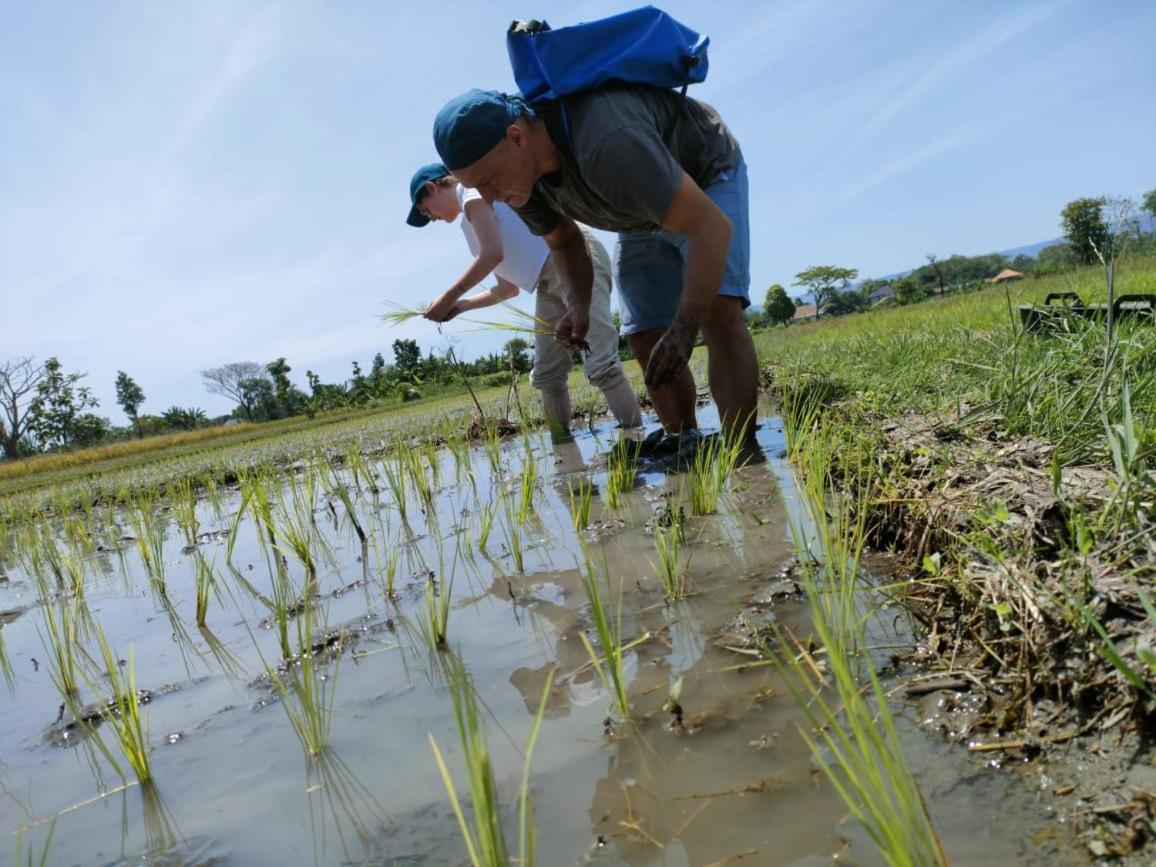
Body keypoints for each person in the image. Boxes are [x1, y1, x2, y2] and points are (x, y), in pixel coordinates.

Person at [430, 84, 758, 445]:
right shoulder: (523, 184)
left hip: (701, 173)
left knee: (717, 312)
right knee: (644, 330)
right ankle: (685, 441)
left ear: (516, 136)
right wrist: (579, 305)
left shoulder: (606, 144)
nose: (489, 201)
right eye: (478, 189)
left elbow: (710, 228)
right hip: (636, 210)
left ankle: (744, 453)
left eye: (488, 183)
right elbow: (564, 241)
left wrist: (684, 326)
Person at [405, 161, 642, 440]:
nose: (430, 217)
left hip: (574, 257)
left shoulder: (471, 192)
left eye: (425, 209)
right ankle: (563, 450)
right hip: (546, 284)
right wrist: (460, 307)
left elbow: (491, 255)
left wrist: (448, 296)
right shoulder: (470, 228)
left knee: (601, 363)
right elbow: (507, 289)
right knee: (548, 375)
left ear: (433, 188)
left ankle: (639, 441)